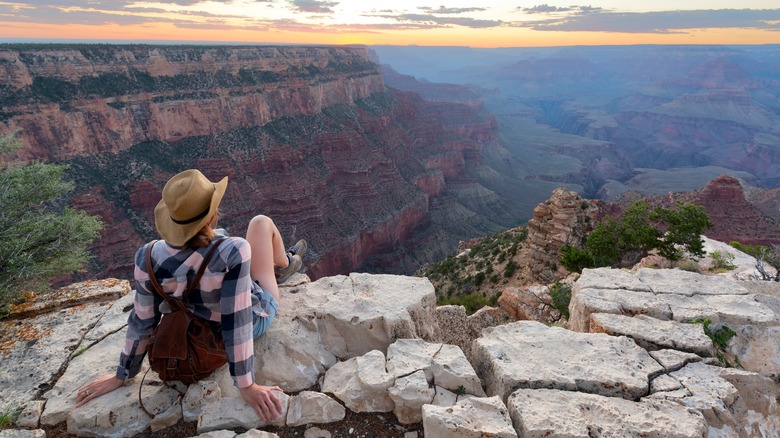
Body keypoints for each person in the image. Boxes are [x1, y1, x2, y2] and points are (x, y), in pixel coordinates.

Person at [75, 169, 306, 422]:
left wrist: (122, 374)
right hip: (236, 326)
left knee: (247, 255)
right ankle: (286, 263)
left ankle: (283, 262)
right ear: (212, 213)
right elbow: (236, 321)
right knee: (261, 222)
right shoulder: (233, 249)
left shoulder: (147, 256)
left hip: (189, 325)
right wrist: (247, 386)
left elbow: (142, 320)